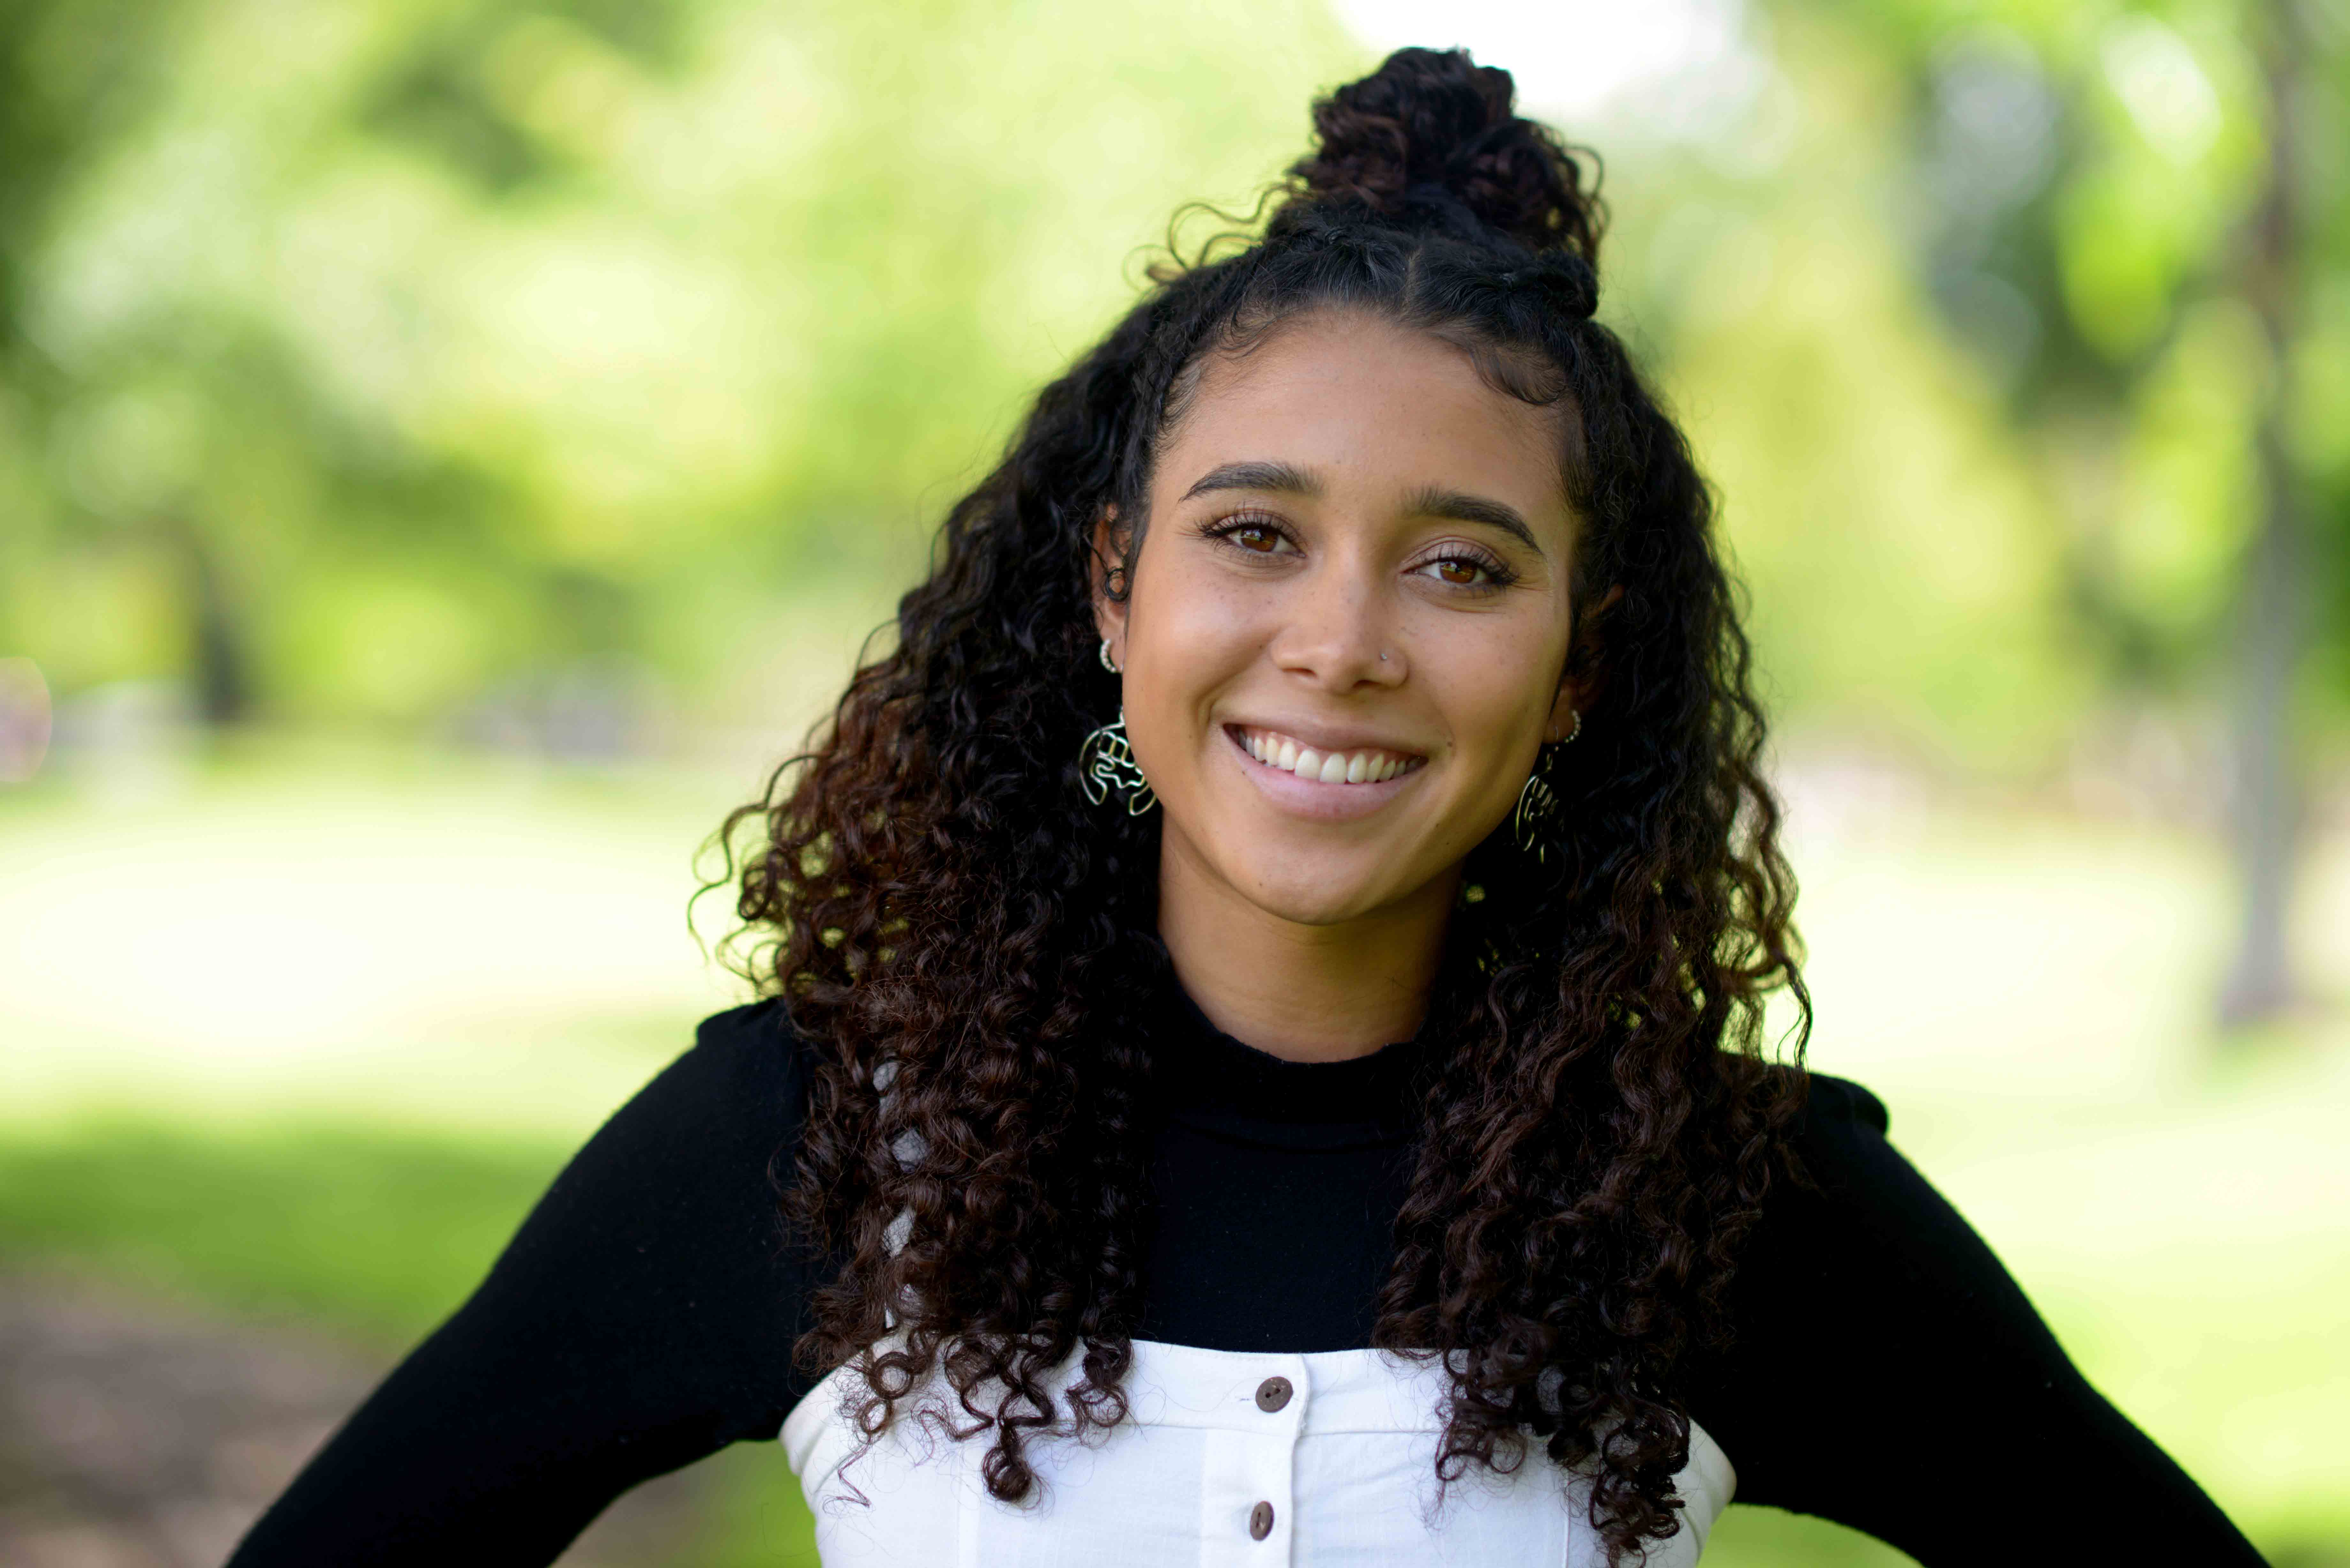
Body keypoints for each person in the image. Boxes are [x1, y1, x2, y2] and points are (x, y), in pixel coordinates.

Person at [226, 46, 2266, 1568]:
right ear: (1117, 588)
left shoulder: (1732, 1203)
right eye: (1254, 534)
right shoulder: (815, 1147)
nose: (1345, 642)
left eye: (1463, 566)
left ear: (1577, 668)